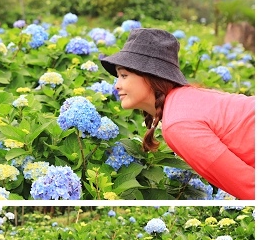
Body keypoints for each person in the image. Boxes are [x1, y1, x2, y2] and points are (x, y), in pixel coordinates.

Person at [100, 28, 255, 199]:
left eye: (123, 75)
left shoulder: (178, 124)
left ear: (150, 76)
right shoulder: (184, 102)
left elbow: (250, 186)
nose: (116, 85)